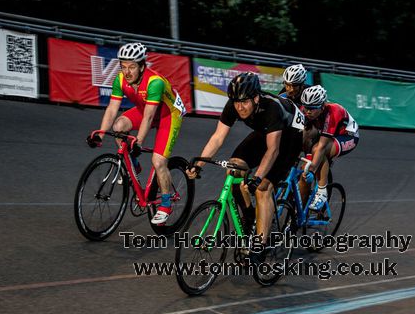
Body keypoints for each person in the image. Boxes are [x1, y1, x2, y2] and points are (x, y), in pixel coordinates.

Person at [187, 72, 304, 254]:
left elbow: (273, 150)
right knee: (234, 168)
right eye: (236, 102)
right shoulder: (234, 103)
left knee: (262, 189)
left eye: (244, 102)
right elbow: (218, 138)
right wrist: (199, 164)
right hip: (265, 130)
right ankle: (249, 217)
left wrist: (257, 178)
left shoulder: (272, 109)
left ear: (256, 98)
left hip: (291, 137)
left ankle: (260, 248)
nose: (240, 108)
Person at [86, 42, 187, 225]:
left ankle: (165, 204)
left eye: (132, 66)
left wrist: (138, 141)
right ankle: (134, 165)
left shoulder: (154, 82)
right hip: (145, 108)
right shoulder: (120, 79)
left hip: (168, 115)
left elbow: (149, 118)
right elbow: (112, 109)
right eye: (123, 66)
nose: (127, 72)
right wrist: (100, 134)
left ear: (142, 66)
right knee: (118, 128)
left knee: (158, 161)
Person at [300, 85, 359, 210]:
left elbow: (322, 146)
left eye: (312, 108)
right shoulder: (305, 109)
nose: (308, 111)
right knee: (307, 149)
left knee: (318, 151)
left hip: (347, 136)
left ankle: (322, 192)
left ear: (322, 106)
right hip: (329, 135)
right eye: (306, 107)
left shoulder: (333, 112)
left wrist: (311, 170)